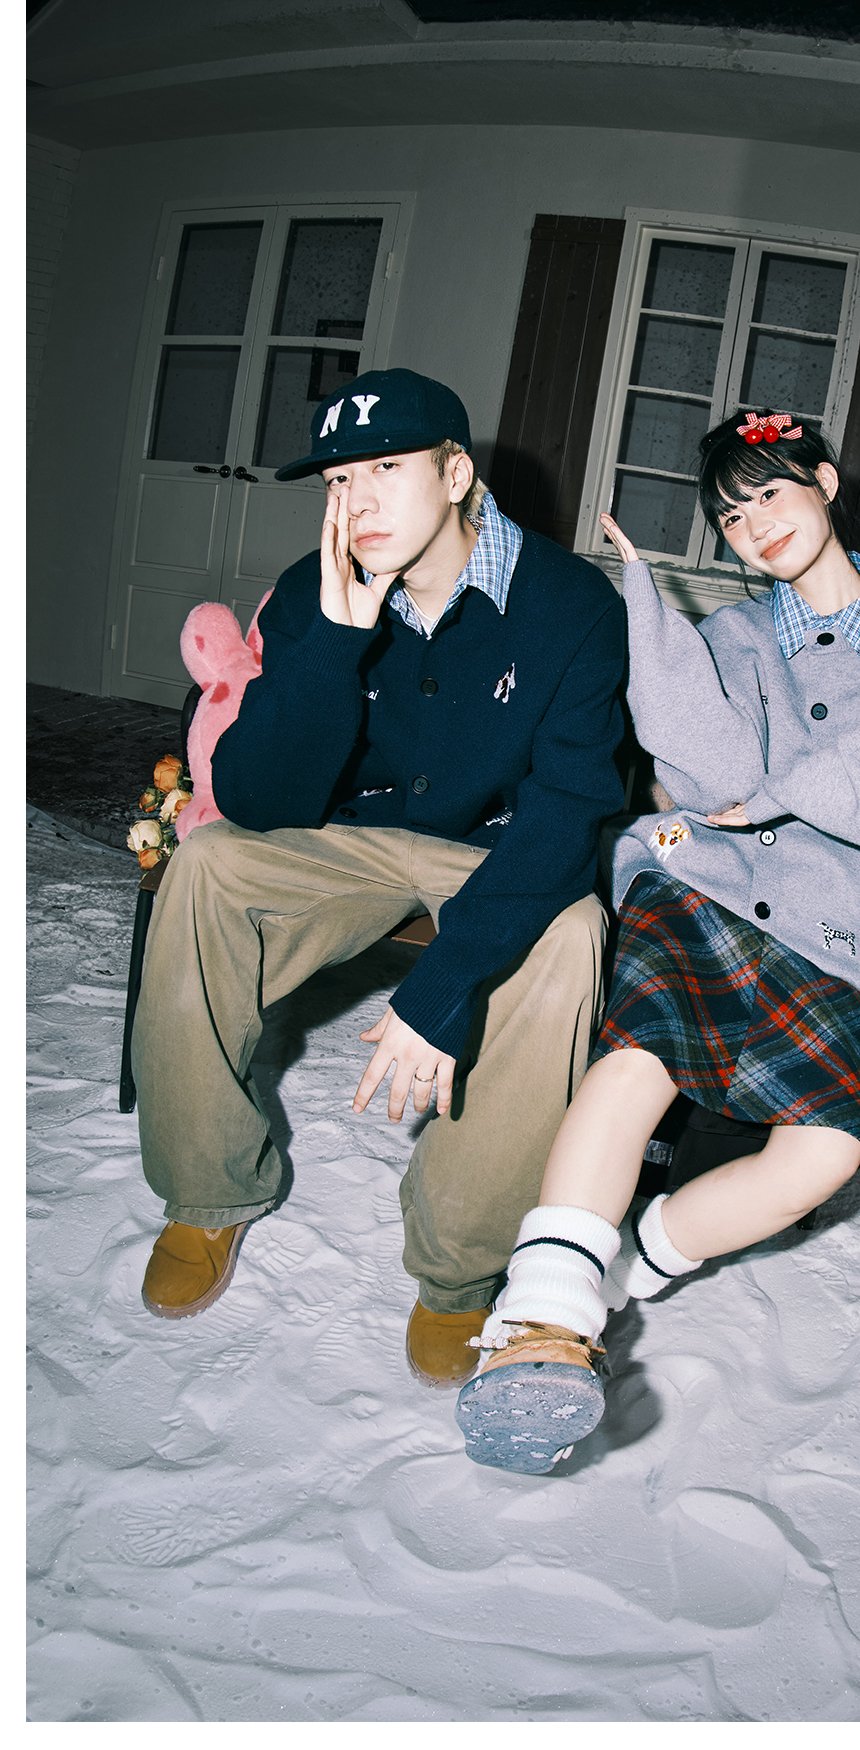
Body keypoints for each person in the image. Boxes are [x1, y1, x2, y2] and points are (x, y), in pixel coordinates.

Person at [454, 406, 860, 1473]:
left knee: (827, 1151)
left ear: (826, 483)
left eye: (769, 494)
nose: (754, 527)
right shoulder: (738, 636)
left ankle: (627, 1269)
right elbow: (704, 774)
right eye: (730, 518)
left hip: (836, 928)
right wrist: (648, 610)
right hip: (706, 880)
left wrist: (793, 793)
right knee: (641, 1057)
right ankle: (538, 1319)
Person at [132, 367, 628, 1389]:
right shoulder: (314, 586)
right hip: (350, 840)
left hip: (496, 852)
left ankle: (460, 1265)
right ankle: (208, 1187)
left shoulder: (572, 604)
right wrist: (337, 640)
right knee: (210, 864)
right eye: (336, 480)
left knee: (572, 932)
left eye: (385, 469)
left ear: (456, 475)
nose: (355, 502)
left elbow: (569, 814)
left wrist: (443, 987)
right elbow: (259, 800)